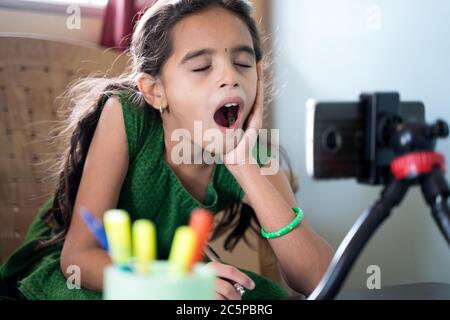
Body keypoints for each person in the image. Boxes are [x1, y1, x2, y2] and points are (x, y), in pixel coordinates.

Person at [0, 0, 333, 300]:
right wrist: (169, 285)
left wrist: (242, 164)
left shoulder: (251, 153)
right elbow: (79, 257)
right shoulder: (125, 116)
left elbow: (319, 280)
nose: (230, 77)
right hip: (95, 274)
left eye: (244, 64)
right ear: (155, 91)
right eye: (202, 67)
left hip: (177, 272)